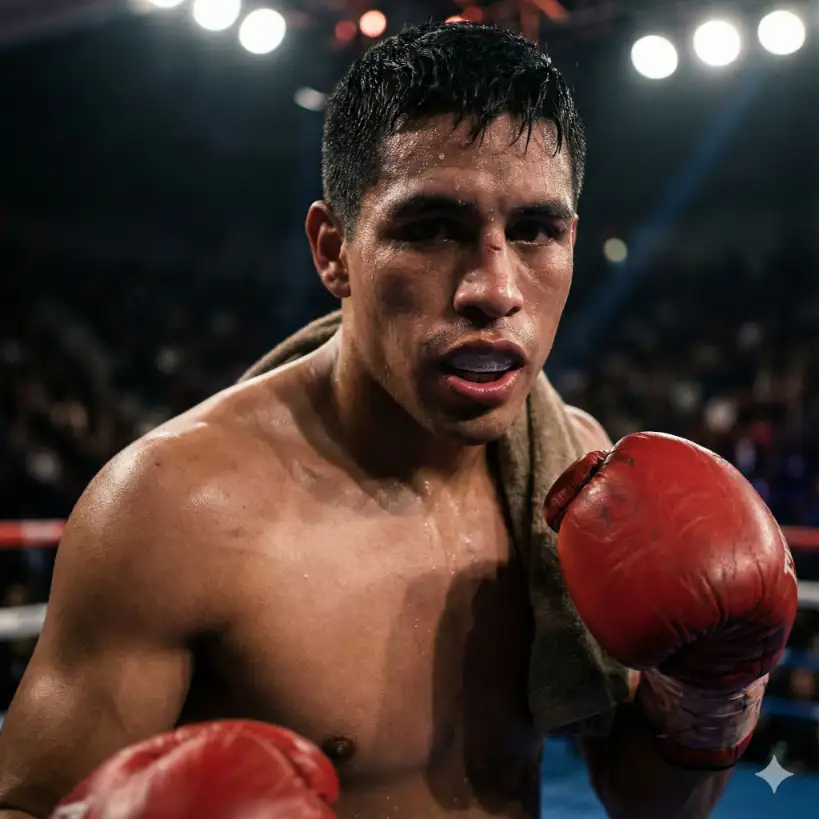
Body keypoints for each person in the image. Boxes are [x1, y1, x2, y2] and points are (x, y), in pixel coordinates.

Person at [0, 21, 797, 819]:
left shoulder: (574, 476)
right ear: (333, 250)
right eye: (431, 228)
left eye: (533, 230)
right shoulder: (175, 511)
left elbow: (653, 803)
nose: (493, 286)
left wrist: (712, 686)